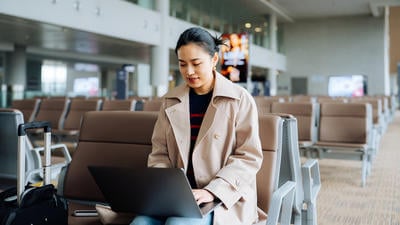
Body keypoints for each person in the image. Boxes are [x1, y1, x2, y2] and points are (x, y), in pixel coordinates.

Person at [130, 27, 266, 225]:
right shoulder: (170, 101)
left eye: (196, 63)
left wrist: (212, 191)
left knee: (177, 223)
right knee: (139, 224)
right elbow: (159, 153)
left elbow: (249, 157)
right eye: (182, 64)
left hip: (223, 197)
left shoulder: (239, 100)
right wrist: (169, 189)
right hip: (178, 196)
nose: (189, 72)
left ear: (214, 60)